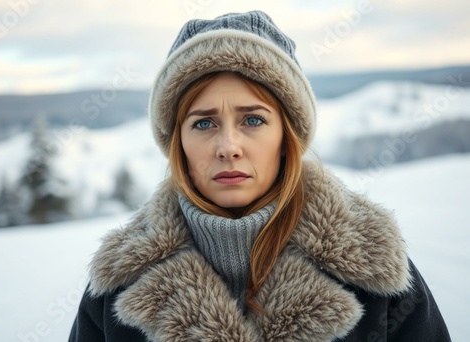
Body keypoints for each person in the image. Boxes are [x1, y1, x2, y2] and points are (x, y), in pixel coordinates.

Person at [69, 11, 451, 341]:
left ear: (287, 138)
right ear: (177, 144)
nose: (228, 146)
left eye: (253, 119)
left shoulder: (373, 271)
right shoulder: (118, 286)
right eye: (203, 123)